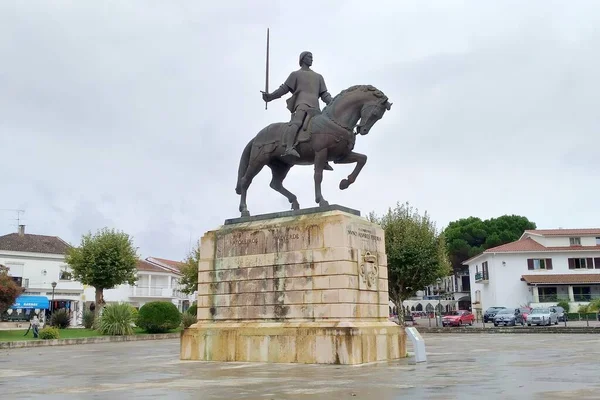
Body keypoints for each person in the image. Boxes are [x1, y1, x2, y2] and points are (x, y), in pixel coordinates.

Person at [262, 51, 334, 168]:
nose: (311, 59)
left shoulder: (318, 77)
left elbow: (324, 94)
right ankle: (289, 147)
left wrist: (334, 102)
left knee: (321, 130)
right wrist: (270, 97)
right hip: (302, 104)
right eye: (309, 57)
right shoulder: (295, 74)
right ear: (302, 59)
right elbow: (283, 89)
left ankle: (323, 158)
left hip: (316, 107)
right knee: (297, 122)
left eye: (312, 57)